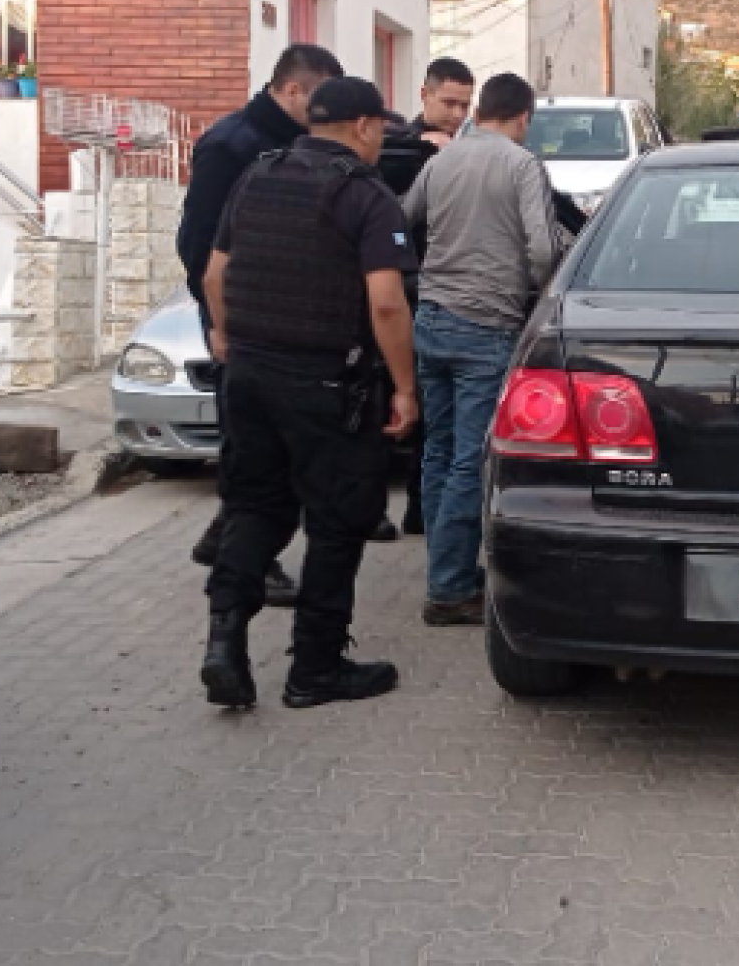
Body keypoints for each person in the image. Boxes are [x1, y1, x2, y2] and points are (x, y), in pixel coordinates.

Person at [197, 77, 422, 710]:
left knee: (254, 508)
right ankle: (316, 668)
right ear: (364, 127)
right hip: (326, 385)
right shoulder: (366, 195)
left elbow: (217, 273)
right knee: (336, 522)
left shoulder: (258, 175)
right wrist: (405, 388)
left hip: (249, 377)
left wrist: (224, 333)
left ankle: (224, 644)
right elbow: (385, 304)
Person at [177, 45, 346, 609]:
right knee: (252, 446)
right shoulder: (232, 146)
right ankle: (248, 561)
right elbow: (199, 244)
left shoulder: (293, 145)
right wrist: (217, 321)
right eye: (318, 100)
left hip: (280, 318)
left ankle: (226, 538)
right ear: (292, 90)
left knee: (263, 443)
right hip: (242, 319)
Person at [402, 73, 566, 627]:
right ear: (524, 117)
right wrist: (536, 297)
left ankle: (441, 568)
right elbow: (543, 250)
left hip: (431, 320)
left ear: (482, 109)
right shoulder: (522, 166)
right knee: (472, 460)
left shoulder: (443, 159)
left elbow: (405, 219)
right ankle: (448, 588)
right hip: (487, 324)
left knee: (439, 450)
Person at [379, 58, 479, 536]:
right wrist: (416, 148)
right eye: (449, 103)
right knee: (402, 406)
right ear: (424, 95)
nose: (458, 114)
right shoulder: (398, 148)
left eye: (466, 105)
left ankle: (422, 510)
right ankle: (378, 508)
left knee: (437, 417)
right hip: (400, 291)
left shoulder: (471, 151)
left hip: (445, 294)